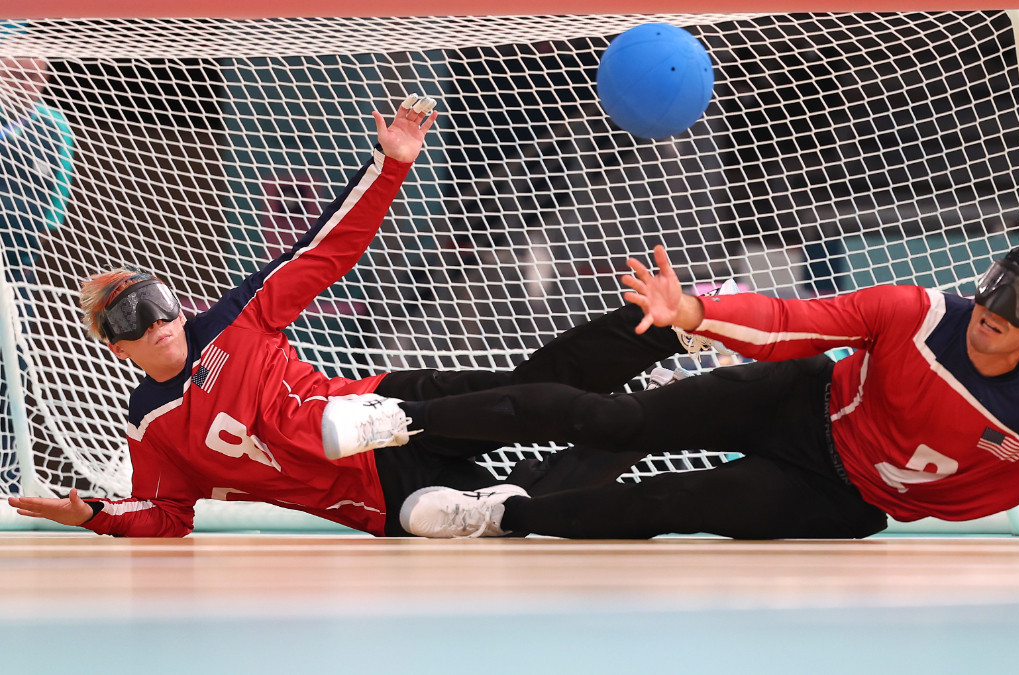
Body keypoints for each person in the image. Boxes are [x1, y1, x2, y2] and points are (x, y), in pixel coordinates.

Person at [6, 99, 686, 537]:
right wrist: (94, 513)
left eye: (158, 299)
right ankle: (652, 420)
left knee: (529, 386)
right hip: (375, 491)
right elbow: (166, 514)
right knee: (531, 508)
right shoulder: (152, 428)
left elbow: (324, 247)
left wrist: (389, 166)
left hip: (387, 406)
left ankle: (676, 325)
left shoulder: (236, 318)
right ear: (118, 347)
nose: (158, 319)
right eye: (134, 315)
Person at [392, 242, 1019, 541]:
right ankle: (399, 416)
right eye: (996, 293)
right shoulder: (917, 313)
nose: (994, 316)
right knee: (620, 418)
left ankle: (502, 515)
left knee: (673, 503)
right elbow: (792, 319)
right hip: (800, 399)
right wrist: (695, 314)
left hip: (837, 494)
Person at [1, 46, 76, 492]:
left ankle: (9, 481)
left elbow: (52, 211)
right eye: (18, 75)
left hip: (14, 275)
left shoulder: (52, 127)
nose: (30, 85)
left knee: (13, 372)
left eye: (37, 75)